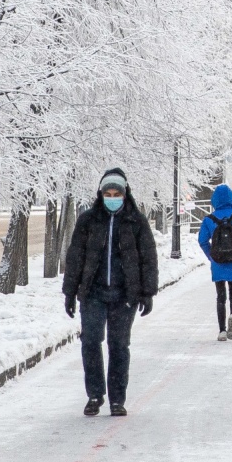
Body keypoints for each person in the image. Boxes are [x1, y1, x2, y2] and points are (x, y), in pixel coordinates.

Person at [60, 168, 160, 417]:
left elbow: (148, 258)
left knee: (119, 346)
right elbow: (75, 258)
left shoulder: (136, 222)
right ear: (101, 194)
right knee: (91, 342)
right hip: (93, 293)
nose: (112, 197)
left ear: (125, 195)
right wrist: (70, 293)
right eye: (108, 193)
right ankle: (95, 394)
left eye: (117, 193)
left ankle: (117, 399)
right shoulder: (88, 221)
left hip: (124, 296)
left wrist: (147, 293)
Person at [199, 183, 232, 341]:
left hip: (219, 262)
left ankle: (222, 330)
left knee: (220, 296)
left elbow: (202, 240)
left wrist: (211, 256)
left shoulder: (209, 220)